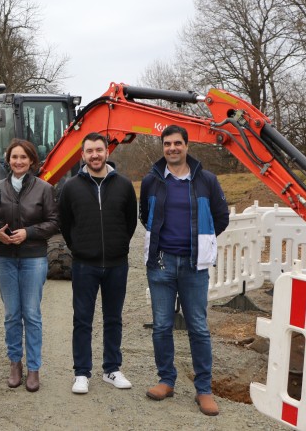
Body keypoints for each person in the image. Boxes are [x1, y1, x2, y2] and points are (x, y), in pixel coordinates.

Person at [140, 125, 229, 417]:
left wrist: (202, 243)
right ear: (162, 147)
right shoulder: (152, 181)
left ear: (187, 146)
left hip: (194, 265)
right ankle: (166, 380)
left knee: (199, 328)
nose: (172, 148)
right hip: (162, 263)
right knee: (162, 326)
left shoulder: (207, 181)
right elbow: (145, 216)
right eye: (167, 144)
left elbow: (221, 217)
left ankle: (204, 389)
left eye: (178, 143)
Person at [58, 132, 137, 395]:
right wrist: (80, 248)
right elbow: (65, 225)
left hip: (117, 264)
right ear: (82, 155)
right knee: (82, 320)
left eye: (99, 150)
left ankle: (111, 369)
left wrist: (118, 247)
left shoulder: (124, 185)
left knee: (113, 318)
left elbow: (130, 223)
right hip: (84, 265)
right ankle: (81, 373)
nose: (94, 155)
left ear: (107, 153)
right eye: (89, 151)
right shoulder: (70, 187)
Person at [0, 139, 60, 393]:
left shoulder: (44, 189)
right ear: (8, 160)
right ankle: (15, 364)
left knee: (32, 314)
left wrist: (29, 232)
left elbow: (53, 222)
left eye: (23, 158)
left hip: (33, 258)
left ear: (32, 162)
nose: (18, 161)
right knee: (12, 314)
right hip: (3, 258)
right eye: (14, 157)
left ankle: (34, 368)